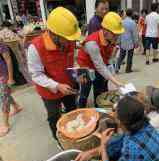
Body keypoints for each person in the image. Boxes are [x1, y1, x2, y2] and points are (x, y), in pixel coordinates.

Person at [75, 96, 159, 161]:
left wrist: (103, 146)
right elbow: (118, 144)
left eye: (116, 114)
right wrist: (91, 153)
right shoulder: (145, 126)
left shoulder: (134, 149)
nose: (113, 115)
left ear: (121, 122)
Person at [27, 7, 81, 140]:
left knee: (73, 110)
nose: (70, 42)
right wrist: (56, 86)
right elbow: (36, 75)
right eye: (66, 38)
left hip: (68, 86)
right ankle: (58, 138)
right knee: (54, 116)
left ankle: (74, 135)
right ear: (54, 34)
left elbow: (71, 61)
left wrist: (78, 73)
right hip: (49, 91)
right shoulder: (35, 48)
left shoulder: (69, 41)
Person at [77, 12, 125, 108]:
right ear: (106, 31)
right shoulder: (92, 43)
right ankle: (81, 109)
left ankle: (98, 110)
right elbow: (100, 66)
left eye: (118, 34)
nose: (117, 37)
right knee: (84, 91)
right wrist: (116, 82)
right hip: (86, 67)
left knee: (99, 91)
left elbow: (109, 60)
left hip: (99, 66)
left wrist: (111, 68)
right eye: (115, 34)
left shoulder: (110, 39)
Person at [0, 41, 22, 137]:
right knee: (5, 94)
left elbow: (8, 60)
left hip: (3, 75)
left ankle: (5, 124)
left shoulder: (1, 45)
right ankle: (16, 106)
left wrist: (10, 77)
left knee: (4, 97)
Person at [116, 9, 138, 73]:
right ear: (131, 14)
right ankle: (128, 69)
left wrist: (118, 41)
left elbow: (119, 32)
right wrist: (136, 42)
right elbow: (134, 34)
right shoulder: (133, 23)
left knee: (121, 55)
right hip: (130, 42)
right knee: (130, 56)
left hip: (123, 41)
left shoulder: (122, 22)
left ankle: (117, 67)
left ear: (126, 14)